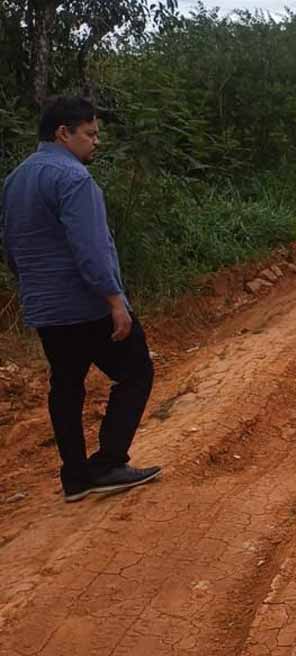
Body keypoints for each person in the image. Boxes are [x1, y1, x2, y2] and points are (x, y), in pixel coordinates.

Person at [2, 96, 161, 503]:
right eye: (90, 134)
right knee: (136, 371)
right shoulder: (74, 179)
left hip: (46, 308)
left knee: (66, 385)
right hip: (86, 304)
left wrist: (33, 288)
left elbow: (12, 248)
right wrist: (114, 300)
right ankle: (108, 462)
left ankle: (74, 477)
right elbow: (91, 249)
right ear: (63, 133)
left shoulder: (16, 179)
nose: (95, 142)